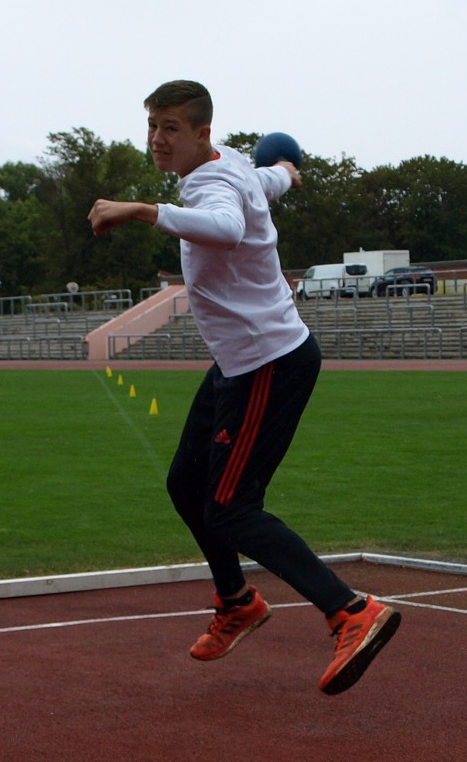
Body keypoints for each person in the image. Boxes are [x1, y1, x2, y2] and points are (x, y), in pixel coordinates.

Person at [88, 80, 401, 695]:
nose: (157, 139)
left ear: (202, 132)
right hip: (238, 365)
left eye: (171, 128)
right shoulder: (232, 165)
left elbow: (226, 227)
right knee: (186, 484)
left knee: (231, 508)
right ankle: (237, 601)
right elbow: (267, 181)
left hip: (268, 364)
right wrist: (286, 171)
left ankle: (350, 611)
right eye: (152, 125)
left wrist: (142, 211)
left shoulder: (213, 187)